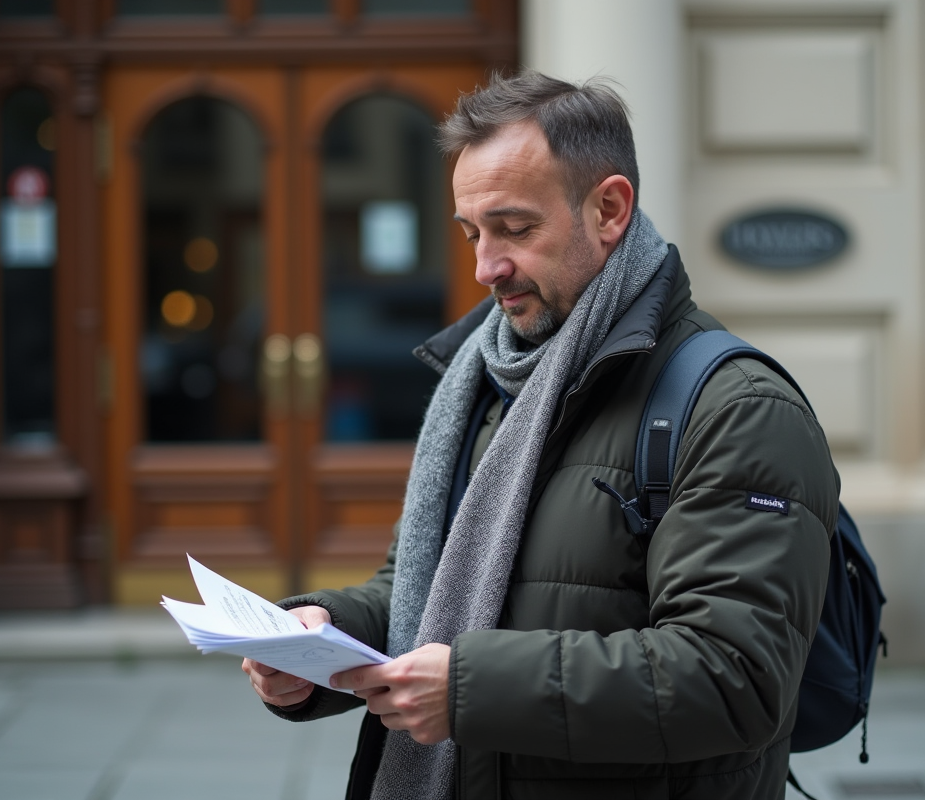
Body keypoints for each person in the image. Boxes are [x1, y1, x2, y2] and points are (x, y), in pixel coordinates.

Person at [243, 70, 839, 800]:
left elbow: (733, 677)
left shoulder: (738, 408)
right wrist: (320, 641)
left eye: (515, 229)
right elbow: (423, 591)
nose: (484, 267)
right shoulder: (488, 380)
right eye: (471, 233)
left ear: (609, 209)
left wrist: (468, 687)